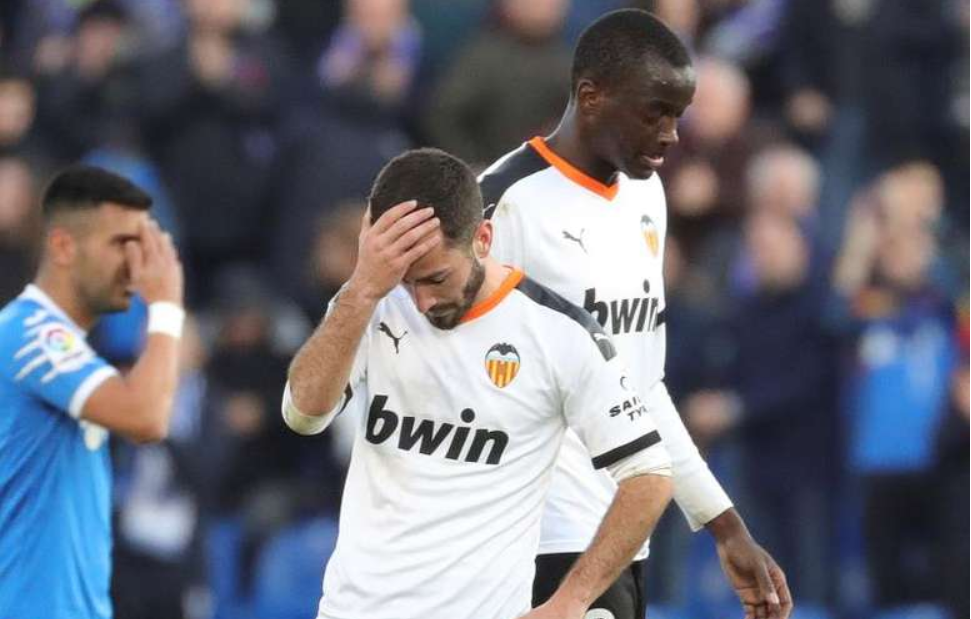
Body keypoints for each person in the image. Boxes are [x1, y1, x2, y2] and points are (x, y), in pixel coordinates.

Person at [479, 9, 792, 619]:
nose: (672, 135)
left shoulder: (646, 193)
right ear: (591, 96)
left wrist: (724, 525)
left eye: (679, 115)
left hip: (623, 537)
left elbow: (641, 385)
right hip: (533, 542)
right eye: (655, 113)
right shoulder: (504, 202)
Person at [283, 148, 674, 619]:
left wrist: (571, 600)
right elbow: (302, 414)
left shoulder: (560, 333)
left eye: (436, 278)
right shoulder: (371, 304)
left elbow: (650, 476)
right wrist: (362, 287)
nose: (422, 302)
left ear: (483, 238)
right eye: (407, 281)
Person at [0, 165, 185, 618]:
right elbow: (147, 417)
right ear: (63, 246)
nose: (136, 264)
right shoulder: (34, 335)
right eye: (122, 243)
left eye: (143, 245)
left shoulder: (65, 347)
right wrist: (165, 305)